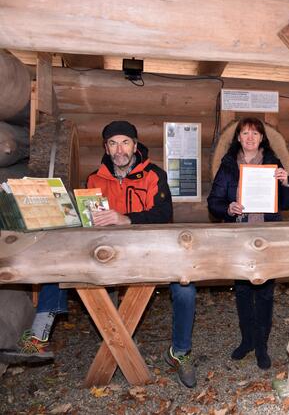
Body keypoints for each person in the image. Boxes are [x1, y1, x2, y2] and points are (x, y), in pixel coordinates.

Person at [16, 121, 198, 388]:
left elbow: (163, 214)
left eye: (125, 142)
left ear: (135, 146)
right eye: (113, 143)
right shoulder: (95, 178)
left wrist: (126, 219)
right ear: (106, 147)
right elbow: (89, 222)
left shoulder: (154, 175)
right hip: (109, 255)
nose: (119, 149)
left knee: (186, 288)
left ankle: (179, 352)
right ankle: (38, 335)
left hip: (150, 252)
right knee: (60, 261)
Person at [207, 117, 289, 370]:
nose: (249, 138)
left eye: (254, 134)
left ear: (261, 139)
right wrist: (228, 208)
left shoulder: (273, 163)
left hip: (267, 236)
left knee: (265, 292)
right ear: (238, 138)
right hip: (239, 237)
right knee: (244, 292)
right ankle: (247, 340)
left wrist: (286, 182)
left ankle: (262, 345)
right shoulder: (228, 165)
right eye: (244, 133)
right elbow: (213, 202)